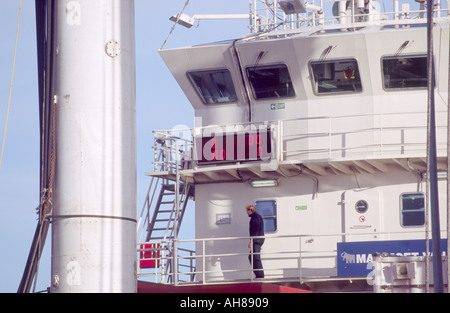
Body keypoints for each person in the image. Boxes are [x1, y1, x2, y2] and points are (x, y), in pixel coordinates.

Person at [246, 204, 265, 279]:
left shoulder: (254, 218)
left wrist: (252, 241)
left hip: (256, 239)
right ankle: (258, 275)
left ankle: (260, 276)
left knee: (255, 257)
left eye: (247, 210)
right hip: (259, 239)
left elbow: (255, 231)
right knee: (251, 257)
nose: (246, 212)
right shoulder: (258, 216)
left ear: (250, 210)